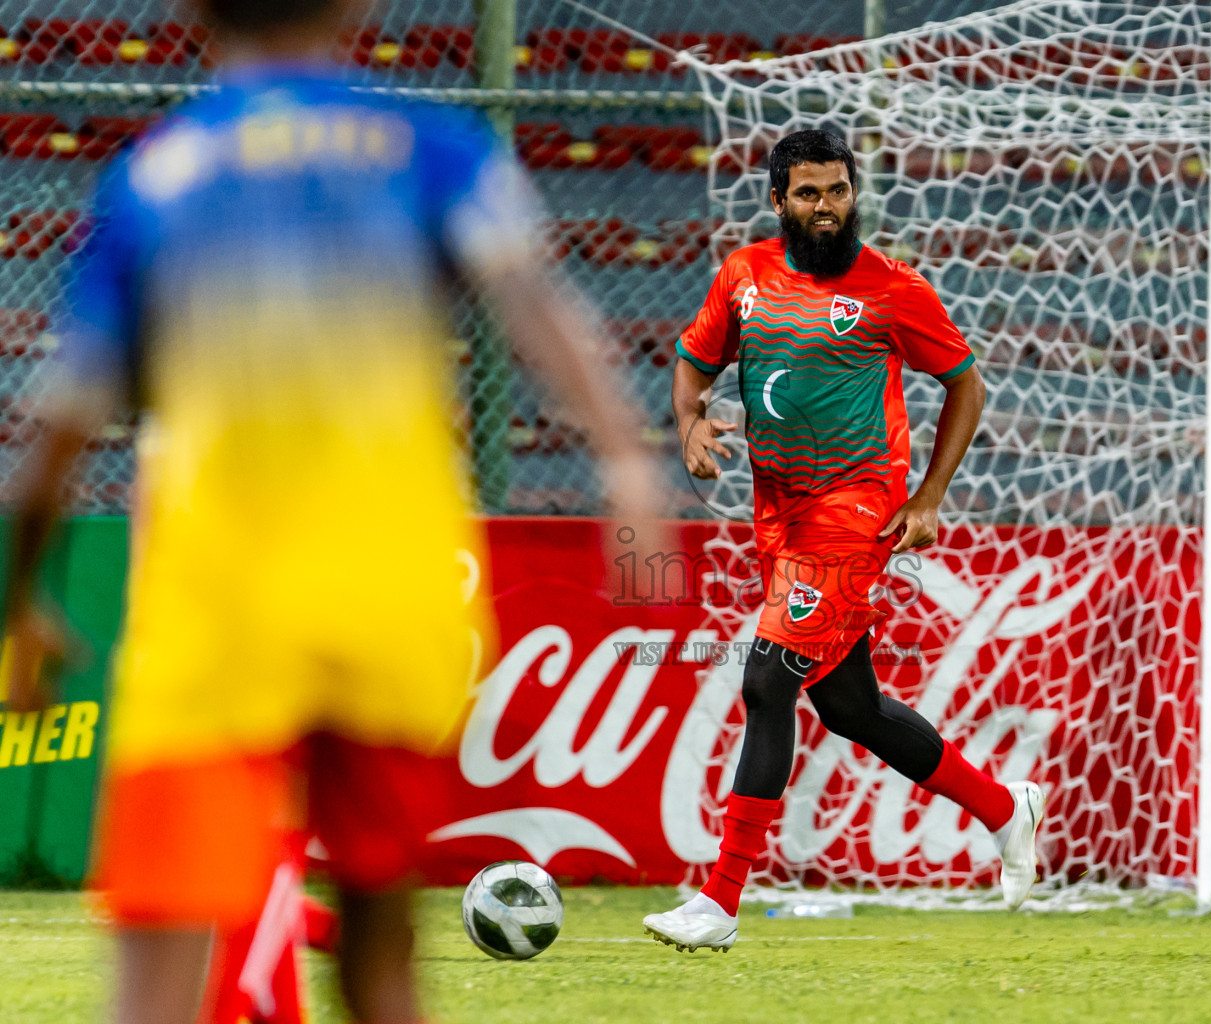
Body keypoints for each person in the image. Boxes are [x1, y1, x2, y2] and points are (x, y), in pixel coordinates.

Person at [1, 1, 663, 1021]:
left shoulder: (157, 177)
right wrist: (625, 459)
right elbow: (540, 307)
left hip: (214, 610)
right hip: (387, 595)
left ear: (190, 10)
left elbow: (56, 433)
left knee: (160, 962)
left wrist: (19, 598)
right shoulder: (428, 146)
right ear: (358, 6)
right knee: (381, 959)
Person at [642, 129, 1043, 953]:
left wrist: (929, 495)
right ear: (778, 201)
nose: (826, 208)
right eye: (809, 194)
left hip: (856, 508)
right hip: (778, 513)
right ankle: (1007, 809)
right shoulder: (744, 275)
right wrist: (689, 427)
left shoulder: (892, 289)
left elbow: (964, 383)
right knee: (850, 707)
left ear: (854, 191)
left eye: (838, 190)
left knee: (766, 678)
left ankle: (719, 901)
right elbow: (692, 362)